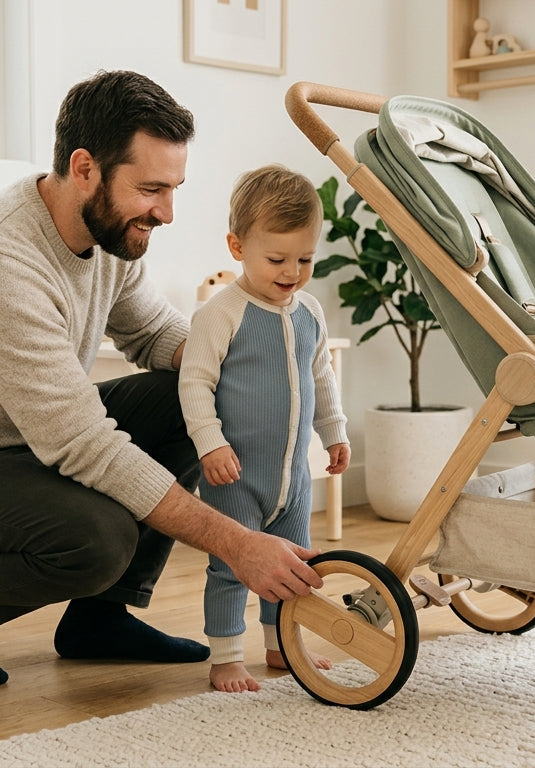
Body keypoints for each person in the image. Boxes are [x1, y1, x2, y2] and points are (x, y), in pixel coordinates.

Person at [0, 71, 324, 691]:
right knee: (99, 538)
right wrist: (239, 543)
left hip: (19, 439)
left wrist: (253, 358)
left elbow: (159, 338)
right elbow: (84, 444)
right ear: (85, 168)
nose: (167, 213)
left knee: (192, 401)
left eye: (174, 189)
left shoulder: (108, 239)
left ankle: (98, 621)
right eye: (151, 189)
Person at [178, 165, 350, 693]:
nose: (291, 272)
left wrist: (334, 431)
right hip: (234, 476)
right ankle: (227, 656)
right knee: (232, 568)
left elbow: (321, 378)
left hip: (292, 479)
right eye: (276, 259)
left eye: (304, 259)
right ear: (237, 246)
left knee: (293, 568)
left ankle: (282, 647)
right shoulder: (221, 314)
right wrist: (210, 443)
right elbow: (194, 385)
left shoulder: (310, 313)